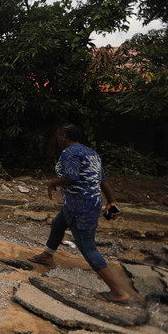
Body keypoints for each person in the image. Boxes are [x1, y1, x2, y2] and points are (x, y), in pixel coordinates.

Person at [28, 124, 131, 303]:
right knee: (58, 223)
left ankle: (118, 292)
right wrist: (112, 202)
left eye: (58, 136)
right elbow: (103, 181)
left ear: (64, 136)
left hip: (80, 204)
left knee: (87, 246)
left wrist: (52, 182)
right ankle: (47, 255)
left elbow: (71, 176)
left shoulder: (69, 153)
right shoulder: (92, 153)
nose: (57, 140)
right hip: (87, 202)